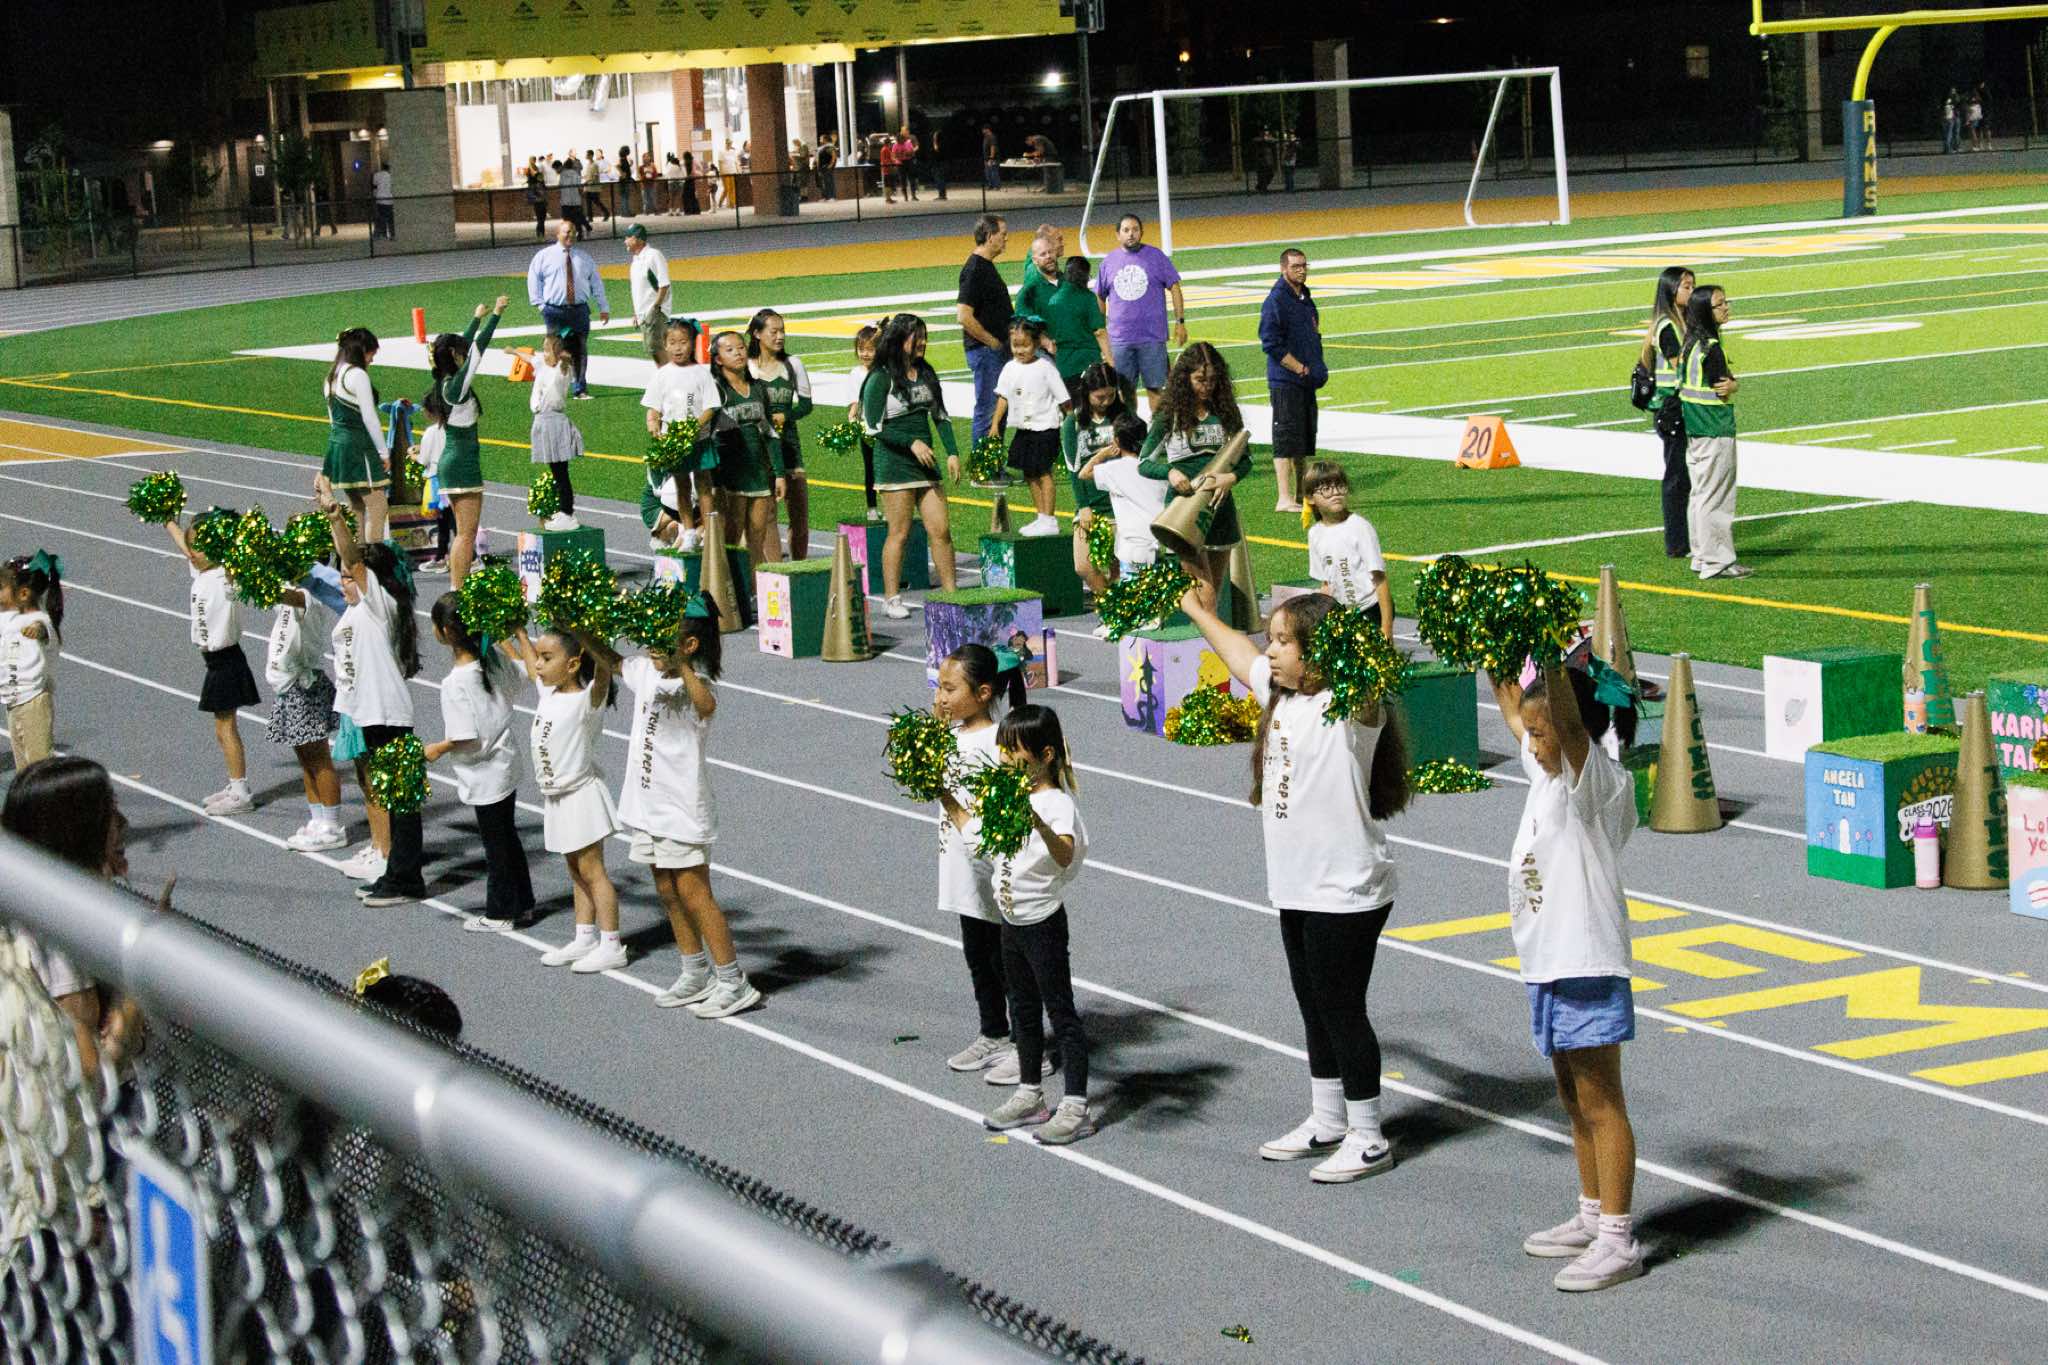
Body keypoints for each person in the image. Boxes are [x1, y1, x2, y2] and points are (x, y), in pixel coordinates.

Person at [1180, 586, 1411, 1185]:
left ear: (1322, 651)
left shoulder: (1351, 708)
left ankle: (1368, 1136)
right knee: (1313, 1005)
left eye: (1284, 641)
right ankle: (1329, 1118)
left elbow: (1366, 673)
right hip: (1297, 887)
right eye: (1272, 639)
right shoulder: (1281, 697)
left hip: (1346, 889)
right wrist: (1197, 610)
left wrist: (1351, 628)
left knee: (1342, 1008)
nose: (1271, 650)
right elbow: (1239, 656)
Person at [1490, 658, 1645, 1292]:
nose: (1529, 744)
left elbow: (1570, 727)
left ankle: (1618, 1238)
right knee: (1572, 1099)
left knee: (1602, 1103)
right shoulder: (1547, 773)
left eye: (1540, 733)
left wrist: (1553, 657)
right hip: (1548, 966)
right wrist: (1488, 639)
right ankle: (1590, 1214)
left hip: (1586, 964)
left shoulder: (1597, 781)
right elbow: (1513, 706)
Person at [618, 596, 762, 1018]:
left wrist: (680, 664)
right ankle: (695, 970)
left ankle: (733, 981)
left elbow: (707, 705)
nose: (650, 645)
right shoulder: (647, 672)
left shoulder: (695, 684)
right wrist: (579, 629)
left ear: (689, 645)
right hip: (647, 808)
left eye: (660, 637)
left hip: (681, 810)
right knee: (666, 890)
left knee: (695, 893)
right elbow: (612, 662)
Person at [0, 756, 156, 1074]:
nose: (123, 823)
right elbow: (92, 1074)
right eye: (109, 812)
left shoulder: (30, 902)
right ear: (76, 831)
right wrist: (138, 986)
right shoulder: (60, 934)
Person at [981, 704, 1092, 1144]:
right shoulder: (1010, 794)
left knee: (1061, 1013)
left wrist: (1038, 824)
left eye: (1014, 751)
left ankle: (1077, 1108)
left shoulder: (1057, 804)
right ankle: (1030, 1094)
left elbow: (1064, 854)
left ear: (1045, 755)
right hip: (1011, 921)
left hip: (1042, 924)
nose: (1006, 759)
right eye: (1003, 750)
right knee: (1022, 1011)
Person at [314, 477, 427, 904]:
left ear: (371, 580)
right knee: (393, 797)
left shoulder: (381, 605)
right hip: (373, 714)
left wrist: (334, 513)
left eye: (350, 576)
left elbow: (352, 556)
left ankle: (406, 879)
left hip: (387, 715)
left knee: (400, 800)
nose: (344, 580)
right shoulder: (368, 609)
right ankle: (397, 872)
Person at [508, 622, 626, 972]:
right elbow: (530, 665)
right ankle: (584, 936)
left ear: (573, 664)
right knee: (575, 870)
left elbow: (603, 674)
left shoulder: (586, 701)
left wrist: (595, 635)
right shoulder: (549, 694)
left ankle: (612, 944)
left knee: (593, 871)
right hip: (557, 799)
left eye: (547, 658)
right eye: (539, 656)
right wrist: (517, 632)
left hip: (580, 796)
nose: (538, 664)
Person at [934, 644, 1026, 1080]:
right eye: (938, 688)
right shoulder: (947, 737)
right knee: (979, 957)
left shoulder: (1000, 744)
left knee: (1010, 964)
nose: (941, 698)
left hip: (995, 870)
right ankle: (994, 1033)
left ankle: (1029, 1046)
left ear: (984, 692)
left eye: (950, 689)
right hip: (962, 867)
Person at [425, 595, 535, 933]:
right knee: (508, 837)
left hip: (485, 774)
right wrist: (508, 639)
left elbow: (465, 738)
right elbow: (523, 676)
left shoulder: (455, 683)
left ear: (446, 631)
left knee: (496, 845)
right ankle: (523, 903)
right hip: (506, 763)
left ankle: (501, 912)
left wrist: (436, 749)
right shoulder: (493, 659)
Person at [861, 312, 962, 617]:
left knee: (941, 530)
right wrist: (911, 442)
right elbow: (872, 427)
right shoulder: (881, 377)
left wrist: (952, 452)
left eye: (924, 336)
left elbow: (940, 415)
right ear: (899, 339)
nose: (922, 342)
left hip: (925, 464)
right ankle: (891, 598)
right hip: (895, 464)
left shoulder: (926, 372)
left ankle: (951, 594)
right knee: (900, 532)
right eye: (916, 337)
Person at [1137, 341, 1247, 611]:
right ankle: (1209, 633)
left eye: (1213, 380)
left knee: (1213, 589)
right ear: (1185, 378)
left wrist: (1231, 478)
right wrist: (1170, 472)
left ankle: (1206, 633)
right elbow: (1144, 463)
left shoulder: (1225, 411)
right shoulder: (1170, 414)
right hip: (1184, 509)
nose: (1207, 386)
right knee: (1204, 588)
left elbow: (1246, 459)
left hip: (1219, 508)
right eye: (1200, 380)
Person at [165, 512, 260, 816]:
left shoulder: (226, 577)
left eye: (199, 547)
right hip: (215, 663)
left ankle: (241, 792)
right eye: (192, 546)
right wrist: (167, 520)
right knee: (221, 729)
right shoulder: (203, 572)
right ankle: (234, 785)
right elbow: (186, 548)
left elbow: (233, 559)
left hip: (227, 660)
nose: (192, 553)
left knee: (227, 728)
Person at [262, 557, 345, 854]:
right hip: (289, 686)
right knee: (305, 759)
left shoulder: (309, 595)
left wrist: (251, 572)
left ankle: (332, 825)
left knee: (319, 758)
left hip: (304, 685)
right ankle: (317, 819)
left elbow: (285, 596)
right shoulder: (293, 591)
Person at [427, 297, 507, 587]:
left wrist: (476, 317)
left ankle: (457, 586)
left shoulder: (446, 380)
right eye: (458, 351)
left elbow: (463, 345)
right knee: (465, 534)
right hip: (461, 464)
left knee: (464, 533)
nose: (463, 352)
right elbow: (476, 352)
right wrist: (495, 315)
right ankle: (456, 589)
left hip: (457, 460)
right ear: (453, 355)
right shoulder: (455, 387)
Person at [703, 329, 788, 572]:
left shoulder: (758, 388)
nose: (738, 353)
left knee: (757, 539)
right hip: (729, 475)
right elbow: (707, 434)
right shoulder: (716, 391)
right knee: (731, 537)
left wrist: (779, 473)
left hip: (758, 471)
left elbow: (770, 433)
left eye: (741, 348)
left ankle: (754, 589)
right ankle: (730, 587)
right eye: (729, 350)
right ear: (718, 359)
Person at [1678, 284, 1747, 579]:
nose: (1726, 308)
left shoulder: (1690, 344)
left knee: (1700, 495)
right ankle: (1716, 561)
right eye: (1720, 304)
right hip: (1715, 428)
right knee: (1716, 499)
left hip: (1695, 429)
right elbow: (1723, 389)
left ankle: (1701, 555)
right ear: (1706, 311)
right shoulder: (1712, 348)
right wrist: (1735, 385)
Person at [989, 317, 1071, 537]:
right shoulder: (1009, 368)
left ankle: (1050, 519)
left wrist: (1072, 422)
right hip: (1024, 429)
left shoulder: (1046, 367)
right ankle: (1041, 516)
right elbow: (1003, 397)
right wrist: (995, 424)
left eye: (1025, 345)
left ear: (1036, 343)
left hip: (1046, 428)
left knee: (1043, 472)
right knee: (1029, 473)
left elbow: (1063, 398)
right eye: (1015, 345)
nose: (1020, 350)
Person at [1259, 248, 1326, 513]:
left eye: (1304, 266)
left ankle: (1301, 493)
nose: (1301, 270)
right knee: (1285, 440)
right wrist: (1299, 368)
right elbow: (1270, 343)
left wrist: (1315, 369)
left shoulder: (1304, 298)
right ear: (1283, 268)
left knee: (1302, 441)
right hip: (1285, 381)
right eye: (1295, 266)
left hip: (1305, 381)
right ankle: (1283, 498)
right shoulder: (1276, 301)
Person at [1095, 214, 1186, 407]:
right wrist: (1101, 332)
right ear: (1117, 235)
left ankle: (1157, 427)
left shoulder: (1156, 257)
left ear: (1142, 232)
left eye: (1135, 229)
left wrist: (1180, 322)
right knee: (1124, 393)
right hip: (1120, 340)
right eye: (1126, 230)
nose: (1131, 234)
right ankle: (1130, 427)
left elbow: (1175, 287)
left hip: (1152, 338)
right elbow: (1100, 296)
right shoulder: (1108, 262)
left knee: (1157, 391)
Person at [642, 318, 716, 552]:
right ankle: (689, 532)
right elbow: (653, 406)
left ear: (692, 343)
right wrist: (653, 422)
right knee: (682, 485)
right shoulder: (661, 375)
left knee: (704, 486)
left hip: (699, 440)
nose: (678, 348)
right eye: (672, 342)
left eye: (683, 342)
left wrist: (694, 427)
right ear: (665, 345)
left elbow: (711, 407)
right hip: (674, 443)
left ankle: (710, 531)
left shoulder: (702, 374)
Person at [747, 309, 814, 559]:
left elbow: (806, 406)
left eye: (782, 331)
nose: (780, 336)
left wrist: (787, 416)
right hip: (759, 449)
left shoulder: (793, 365)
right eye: (773, 331)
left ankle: (800, 567)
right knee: (768, 515)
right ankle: (775, 572)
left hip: (789, 446)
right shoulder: (747, 367)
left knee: (800, 515)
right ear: (757, 334)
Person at [1640, 266, 1694, 559]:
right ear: (1671, 290)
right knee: (1677, 477)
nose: (1691, 291)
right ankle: (1677, 542)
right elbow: (1680, 364)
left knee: (1685, 475)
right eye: (1686, 286)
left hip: (1679, 404)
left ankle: (1687, 536)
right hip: (1672, 406)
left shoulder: (1680, 320)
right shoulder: (1667, 326)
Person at [1302, 461, 1393, 637]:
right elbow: (1326, 583)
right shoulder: (1315, 533)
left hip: (1370, 610)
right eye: (1326, 489)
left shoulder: (1359, 527)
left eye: (1340, 486)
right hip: (1343, 614)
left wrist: (1386, 628)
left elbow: (1380, 579)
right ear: (1311, 498)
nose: (1335, 493)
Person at [1060, 364, 1124, 602]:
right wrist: (1083, 506)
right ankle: (1111, 605)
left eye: (1111, 395)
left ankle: (1117, 611)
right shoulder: (1074, 423)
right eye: (1100, 397)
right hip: (1091, 505)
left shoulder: (1123, 418)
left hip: (1119, 503)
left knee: (1119, 567)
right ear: (1086, 393)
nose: (1106, 402)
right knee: (1083, 566)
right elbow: (1073, 469)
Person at [321, 327, 391, 542]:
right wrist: (383, 452)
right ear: (361, 351)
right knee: (378, 505)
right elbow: (370, 417)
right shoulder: (357, 375)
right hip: (358, 445)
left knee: (356, 506)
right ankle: (374, 555)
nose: (372, 359)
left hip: (337, 444)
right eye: (371, 354)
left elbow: (333, 419)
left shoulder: (331, 376)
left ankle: (354, 557)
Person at [1078, 411, 1167, 580]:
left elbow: (1083, 473)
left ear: (1117, 441)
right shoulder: (1155, 469)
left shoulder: (1114, 470)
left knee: (1133, 594)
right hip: (1161, 544)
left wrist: (1103, 453)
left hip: (1133, 550)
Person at [527, 220, 609, 400]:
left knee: (580, 350)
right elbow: (533, 279)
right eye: (566, 232)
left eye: (573, 231)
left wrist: (603, 307)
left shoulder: (584, 258)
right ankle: (552, 386)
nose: (570, 235)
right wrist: (540, 304)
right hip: (554, 311)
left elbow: (596, 283)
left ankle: (580, 388)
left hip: (579, 311)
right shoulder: (544, 256)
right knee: (555, 350)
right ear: (557, 234)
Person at [0, 552, 63, 771]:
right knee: (23, 773)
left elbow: (45, 632)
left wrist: (37, 631)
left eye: (1, 588)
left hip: (34, 702)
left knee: (39, 769)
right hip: (13, 703)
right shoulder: (7, 619)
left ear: (24, 593)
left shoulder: (40, 620)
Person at [958, 214, 1013, 444]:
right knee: (989, 410)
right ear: (990, 236)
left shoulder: (984, 266)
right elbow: (964, 315)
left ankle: (993, 460)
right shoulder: (975, 270)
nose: (1006, 239)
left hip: (991, 352)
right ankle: (984, 463)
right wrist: (993, 342)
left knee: (998, 410)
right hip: (986, 352)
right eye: (1003, 234)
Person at [530, 332, 584, 532]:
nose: (544, 354)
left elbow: (564, 368)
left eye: (547, 350)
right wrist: (514, 352)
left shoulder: (562, 372)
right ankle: (564, 511)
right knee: (557, 471)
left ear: (558, 353)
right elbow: (531, 359)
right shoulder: (543, 367)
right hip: (544, 421)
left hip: (554, 423)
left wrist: (564, 359)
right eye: (543, 349)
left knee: (561, 472)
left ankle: (567, 513)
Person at [1044, 255, 1112, 396]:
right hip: (1089, 362)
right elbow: (1099, 332)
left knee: (1072, 405)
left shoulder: (1053, 301)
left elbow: (1051, 335)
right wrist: (1111, 361)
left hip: (1065, 365)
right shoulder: (1088, 298)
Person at [625, 224, 672, 363]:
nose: (625, 241)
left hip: (655, 313)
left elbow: (664, 284)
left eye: (628, 237)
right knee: (654, 351)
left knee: (658, 350)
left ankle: (672, 375)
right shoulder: (636, 261)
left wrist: (655, 308)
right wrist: (636, 313)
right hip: (644, 314)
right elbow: (638, 290)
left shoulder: (653, 255)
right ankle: (667, 375)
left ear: (637, 239)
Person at [1014, 228, 1064, 333]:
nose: (1062, 244)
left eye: (1050, 252)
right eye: (1059, 240)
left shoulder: (1060, 276)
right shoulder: (1034, 275)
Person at [555, 156, 587, 238]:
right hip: (576, 200)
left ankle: (569, 234)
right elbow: (580, 187)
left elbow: (560, 186)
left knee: (567, 219)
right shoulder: (576, 174)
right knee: (577, 218)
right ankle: (579, 233)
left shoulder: (562, 175)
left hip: (566, 201)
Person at [524, 159, 549, 240]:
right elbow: (543, 187)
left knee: (541, 219)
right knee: (541, 219)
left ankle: (540, 235)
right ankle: (540, 235)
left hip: (538, 200)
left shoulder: (532, 179)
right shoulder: (536, 177)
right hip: (540, 200)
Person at [372, 162, 395, 240]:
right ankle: (392, 235)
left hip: (379, 199)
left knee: (380, 217)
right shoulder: (390, 176)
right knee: (390, 219)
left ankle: (381, 234)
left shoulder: (376, 175)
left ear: (381, 167)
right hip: (389, 199)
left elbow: (375, 186)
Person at [815, 134, 838, 201]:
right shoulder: (822, 147)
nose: (820, 140)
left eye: (821, 139)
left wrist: (830, 165)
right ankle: (825, 197)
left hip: (826, 166)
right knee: (823, 183)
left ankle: (832, 197)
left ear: (825, 139)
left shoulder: (829, 147)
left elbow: (834, 156)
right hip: (821, 167)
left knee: (829, 182)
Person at [681, 150, 702, 216]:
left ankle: (688, 211)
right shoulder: (694, 161)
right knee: (692, 196)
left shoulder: (683, 162)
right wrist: (696, 173)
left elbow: (683, 171)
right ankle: (696, 210)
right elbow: (700, 167)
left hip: (686, 180)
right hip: (692, 179)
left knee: (685, 196)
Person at [982, 124, 1000, 190]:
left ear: (987, 129)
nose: (982, 131)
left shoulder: (992, 137)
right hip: (986, 158)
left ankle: (996, 186)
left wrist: (991, 157)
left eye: (983, 129)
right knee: (988, 173)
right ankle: (990, 185)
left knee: (993, 172)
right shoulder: (986, 137)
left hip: (992, 158)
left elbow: (993, 147)